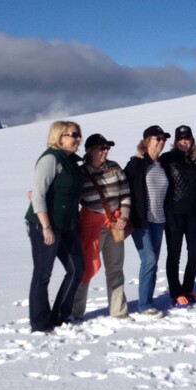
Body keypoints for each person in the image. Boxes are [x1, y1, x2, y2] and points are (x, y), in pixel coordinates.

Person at [24, 121, 86, 333]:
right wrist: (46, 227)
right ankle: (40, 323)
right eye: (74, 135)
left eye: (79, 135)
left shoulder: (71, 162)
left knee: (77, 268)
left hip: (67, 224)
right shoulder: (51, 158)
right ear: (60, 136)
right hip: (45, 224)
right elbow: (38, 195)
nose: (78, 139)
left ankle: (60, 315)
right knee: (43, 273)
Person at [71, 133, 131, 322]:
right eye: (101, 148)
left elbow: (126, 193)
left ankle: (118, 310)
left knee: (115, 268)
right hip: (90, 225)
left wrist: (124, 216)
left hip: (115, 224)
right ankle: (76, 311)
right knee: (86, 269)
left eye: (107, 148)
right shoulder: (80, 174)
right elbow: (72, 200)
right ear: (90, 151)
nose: (105, 151)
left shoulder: (114, 167)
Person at [160, 125, 196, 308]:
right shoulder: (167, 159)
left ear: (192, 139)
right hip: (174, 214)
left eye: (187, 138)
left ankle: (188, 287)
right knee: (174, 254)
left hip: (195, 214)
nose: (184, 141)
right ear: (175, 141)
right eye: (180, 138)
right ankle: (176, 291)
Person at [124, 125, 172, 317]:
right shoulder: (136, 164)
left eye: (163, 139)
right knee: (149, 259)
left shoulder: (162, 165)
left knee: (152, 262)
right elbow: (123, 187)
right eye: (157, 138)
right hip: (141, 221)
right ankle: (144, 305)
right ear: (146, 141)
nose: (161, 142)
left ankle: (148, 301)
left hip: (159, 220)